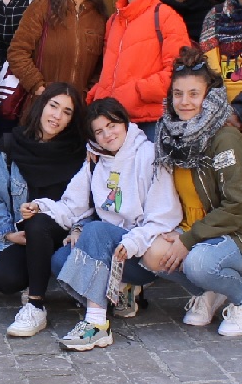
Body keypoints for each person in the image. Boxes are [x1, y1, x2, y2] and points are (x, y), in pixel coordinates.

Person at [144, 46, 242, 337]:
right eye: (178, 94)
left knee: (198, 263)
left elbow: (237, 206)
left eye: (194, 94)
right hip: (203, 231)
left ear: (209, 96)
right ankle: (211, 290)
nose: (184, 102)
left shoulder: (224, 138)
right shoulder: (169, 135)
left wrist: (188, 239)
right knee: (152, 251)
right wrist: (99, 152)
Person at [41, 98, 181, 350]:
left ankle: (96, 324)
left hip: (141, 251)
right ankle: (120, 292)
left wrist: (132, 241)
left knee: (95, 231)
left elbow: (163, 217)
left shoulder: (148, 155)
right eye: (99, 131)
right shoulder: (97, 161)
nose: (107, 135)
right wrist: (41, 207)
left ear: (125, 122)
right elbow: (73, 204)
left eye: (112, 125)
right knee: (61, 260)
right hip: (113, 249)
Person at [0, 83, 88, 337]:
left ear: (72, 120)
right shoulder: (10, 146)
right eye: (53, 106)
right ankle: (40, 274)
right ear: (41, 105)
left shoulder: (80, 153)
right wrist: (7, 232)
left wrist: (80, 229)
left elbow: (91, 205)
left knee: (39, 221)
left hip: (66, 235)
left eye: (67, 112)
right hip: (24, 237)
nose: (57, 116)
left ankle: (35, 305)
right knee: (5, 278)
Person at [87, 0, 190, 141]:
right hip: (114, 121)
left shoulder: (166, 16)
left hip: (149, 122)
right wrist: (97, 96)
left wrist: (137, 91)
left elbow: (179, 73)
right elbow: (109, 71)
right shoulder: (114, 21)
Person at [7, 0, 107, 115]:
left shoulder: (99, 16)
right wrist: (39, 88)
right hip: (42, 107)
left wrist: (86, 95)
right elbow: (17, 51)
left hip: (79, 111)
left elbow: (102, 65)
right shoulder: (43, 5)